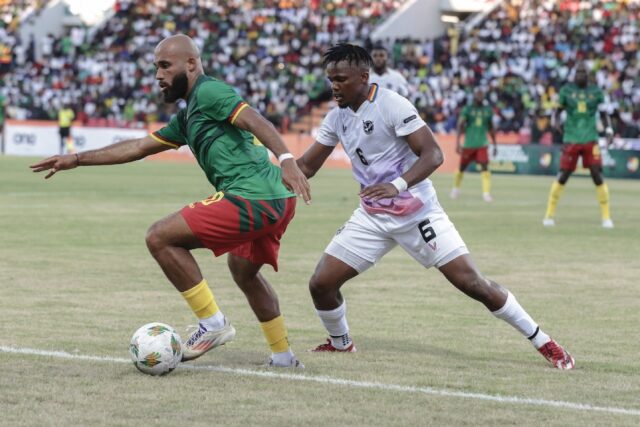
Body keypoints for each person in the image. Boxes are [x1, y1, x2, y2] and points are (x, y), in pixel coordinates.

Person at [30, 34, 311, 368]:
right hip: (278, 199)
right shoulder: (188, 116)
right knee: (244, 272)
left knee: (159, 237)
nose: (158, 76)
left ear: (190, 64)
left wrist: (287, 158)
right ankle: (283, 356)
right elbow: (137, 148)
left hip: (253, 197)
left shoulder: (208, 91)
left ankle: (213, 324)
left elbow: (254, 119)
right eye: (155, 68)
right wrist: (76, 159)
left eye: (165, 66)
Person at [296, 43, 574, 369]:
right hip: (372, 216)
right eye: (331, 79)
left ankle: (544, 341)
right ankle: (341, 344)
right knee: (321, 283)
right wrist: (266, 168)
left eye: (341, 79)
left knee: (473, 284)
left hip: (418, 213)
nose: (334, 86)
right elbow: (306, 167)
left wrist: (396, 185)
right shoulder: (336, 117)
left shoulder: (392, 104)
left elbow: (434, 154)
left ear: (363, 77)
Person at [543, 63, 615, 228]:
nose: (581, 75)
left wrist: (609, 130)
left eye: (584, 72)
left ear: (588, 75)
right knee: (563, 175)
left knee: (597, 175)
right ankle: (549, 215)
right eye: (578, 72)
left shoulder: (596, 92)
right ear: (574, 74)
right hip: (571, 138)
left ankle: (606, 217)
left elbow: (604, 114)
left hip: (591, 138)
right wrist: (556, 125)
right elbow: (557, 112)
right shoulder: (566, 91)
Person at [450, 88, 497, 202]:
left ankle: (486, 194)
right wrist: (457, 142)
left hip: (482, 144)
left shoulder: (488, 110)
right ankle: (456, 189)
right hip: (469, 144)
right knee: (462, 168)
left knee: (485, 166)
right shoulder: (468, 109)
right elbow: (460, 124)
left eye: (482, 94)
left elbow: (491, 128)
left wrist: (495, 144)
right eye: (478, 94)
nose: (480, 96)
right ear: (474, 96)